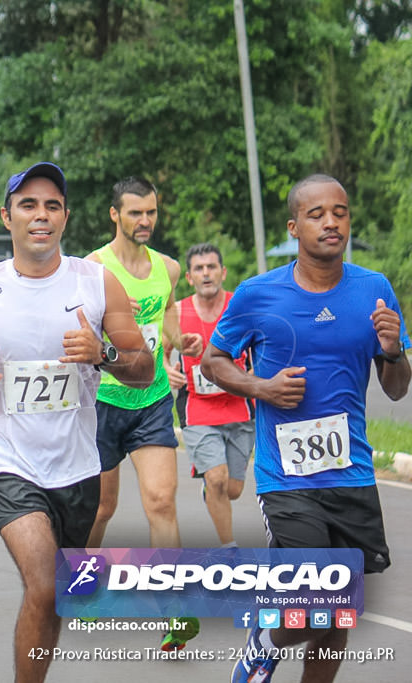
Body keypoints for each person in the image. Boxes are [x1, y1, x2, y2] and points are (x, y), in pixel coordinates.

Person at [0, 162, 153, 683]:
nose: (40, 215)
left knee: (52, 598)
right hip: (8, 465)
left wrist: (103, 353)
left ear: (66, 218)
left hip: (76, 469)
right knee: (46, 584)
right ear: (8, 217)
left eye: (52, 205)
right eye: (28, 205)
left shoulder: (98, 282)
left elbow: (143, 370)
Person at [199, 175, 410, 683]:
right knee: (320, 601)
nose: (331, 221)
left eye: (340, 212)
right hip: (286, 477)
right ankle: (265, 639)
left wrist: (393, 350)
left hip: (352, 472)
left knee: (339, 615)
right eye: (317, 214)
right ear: (294, 227)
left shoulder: (374, 290)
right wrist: (261, 388)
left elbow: (398, 388)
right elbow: (213, 361)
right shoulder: (257, 293)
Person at [84, 176, 202, 549]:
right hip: (104, 400)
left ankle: (172, 602)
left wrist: (181, 340)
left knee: (162, 502)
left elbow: (167, 311)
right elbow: (74, 332)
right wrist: (109, 316)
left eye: (151, 212)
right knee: (101, 508)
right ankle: (81, 584)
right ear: (115, 215)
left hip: (152, 398)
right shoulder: (93, 268)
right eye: (136, 213)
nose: (145, 221)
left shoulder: (167, 268)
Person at [167, 243, 253, 548]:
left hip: (240, 406)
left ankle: (211, 490)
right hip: (197, 407)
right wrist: (167, 369)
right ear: (190, 277)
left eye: (212, 267)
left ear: (223, 272)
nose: (206, 274)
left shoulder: (240, 308)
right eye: (199, 269)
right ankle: (229, 548)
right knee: (216, 477)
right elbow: (162, 352)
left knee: (232, 488)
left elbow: (260, 347)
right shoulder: (177, 311)